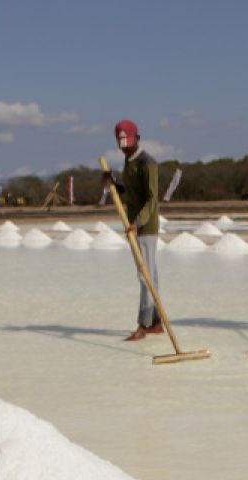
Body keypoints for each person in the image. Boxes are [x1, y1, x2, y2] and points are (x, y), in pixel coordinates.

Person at [101, 119, 162, 342]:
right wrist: (114, 186)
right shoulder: (129, 161)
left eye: (127, 142)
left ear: (137, 138)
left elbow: (152, 198)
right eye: (121, 143)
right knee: (151, 276)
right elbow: (131, 193)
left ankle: (143, 324)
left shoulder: (148, 163)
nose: (124, 147)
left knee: (145, 276)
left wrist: (138, 223)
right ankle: (156, 322)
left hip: (145, 227)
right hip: (134, 225)